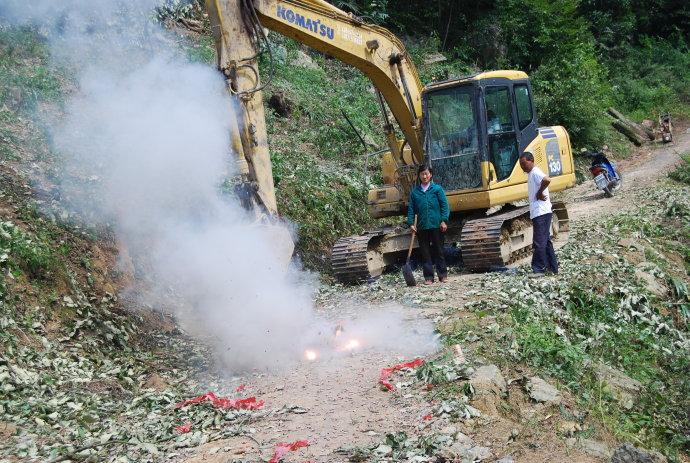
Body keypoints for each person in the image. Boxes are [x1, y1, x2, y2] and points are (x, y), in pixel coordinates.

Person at [407, 164, 450, 284]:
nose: (424, 176)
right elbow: (411, 209)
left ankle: (442, 275)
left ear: (430, 175)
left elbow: (444, 206)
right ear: (419, 176)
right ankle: (429, 277)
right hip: (422, 227)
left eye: (426, 173)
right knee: (425, 253)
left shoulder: (437, 189)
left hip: (437, 225)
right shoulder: (415, 192)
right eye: (422, 174)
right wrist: (411, 223)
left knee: (439, 251)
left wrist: (443, 220)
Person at [519, 151, 558, 275]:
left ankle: (539, 268)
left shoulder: (535, 172)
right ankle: (553, 267)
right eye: (521, 164)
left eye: (524, 164)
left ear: (531, 161)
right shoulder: (531, 174)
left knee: (539, 241)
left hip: (541, 212)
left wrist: (540, 192)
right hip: (541, 212)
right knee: (545, 241)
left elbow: (547, 179)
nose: (522, 167)